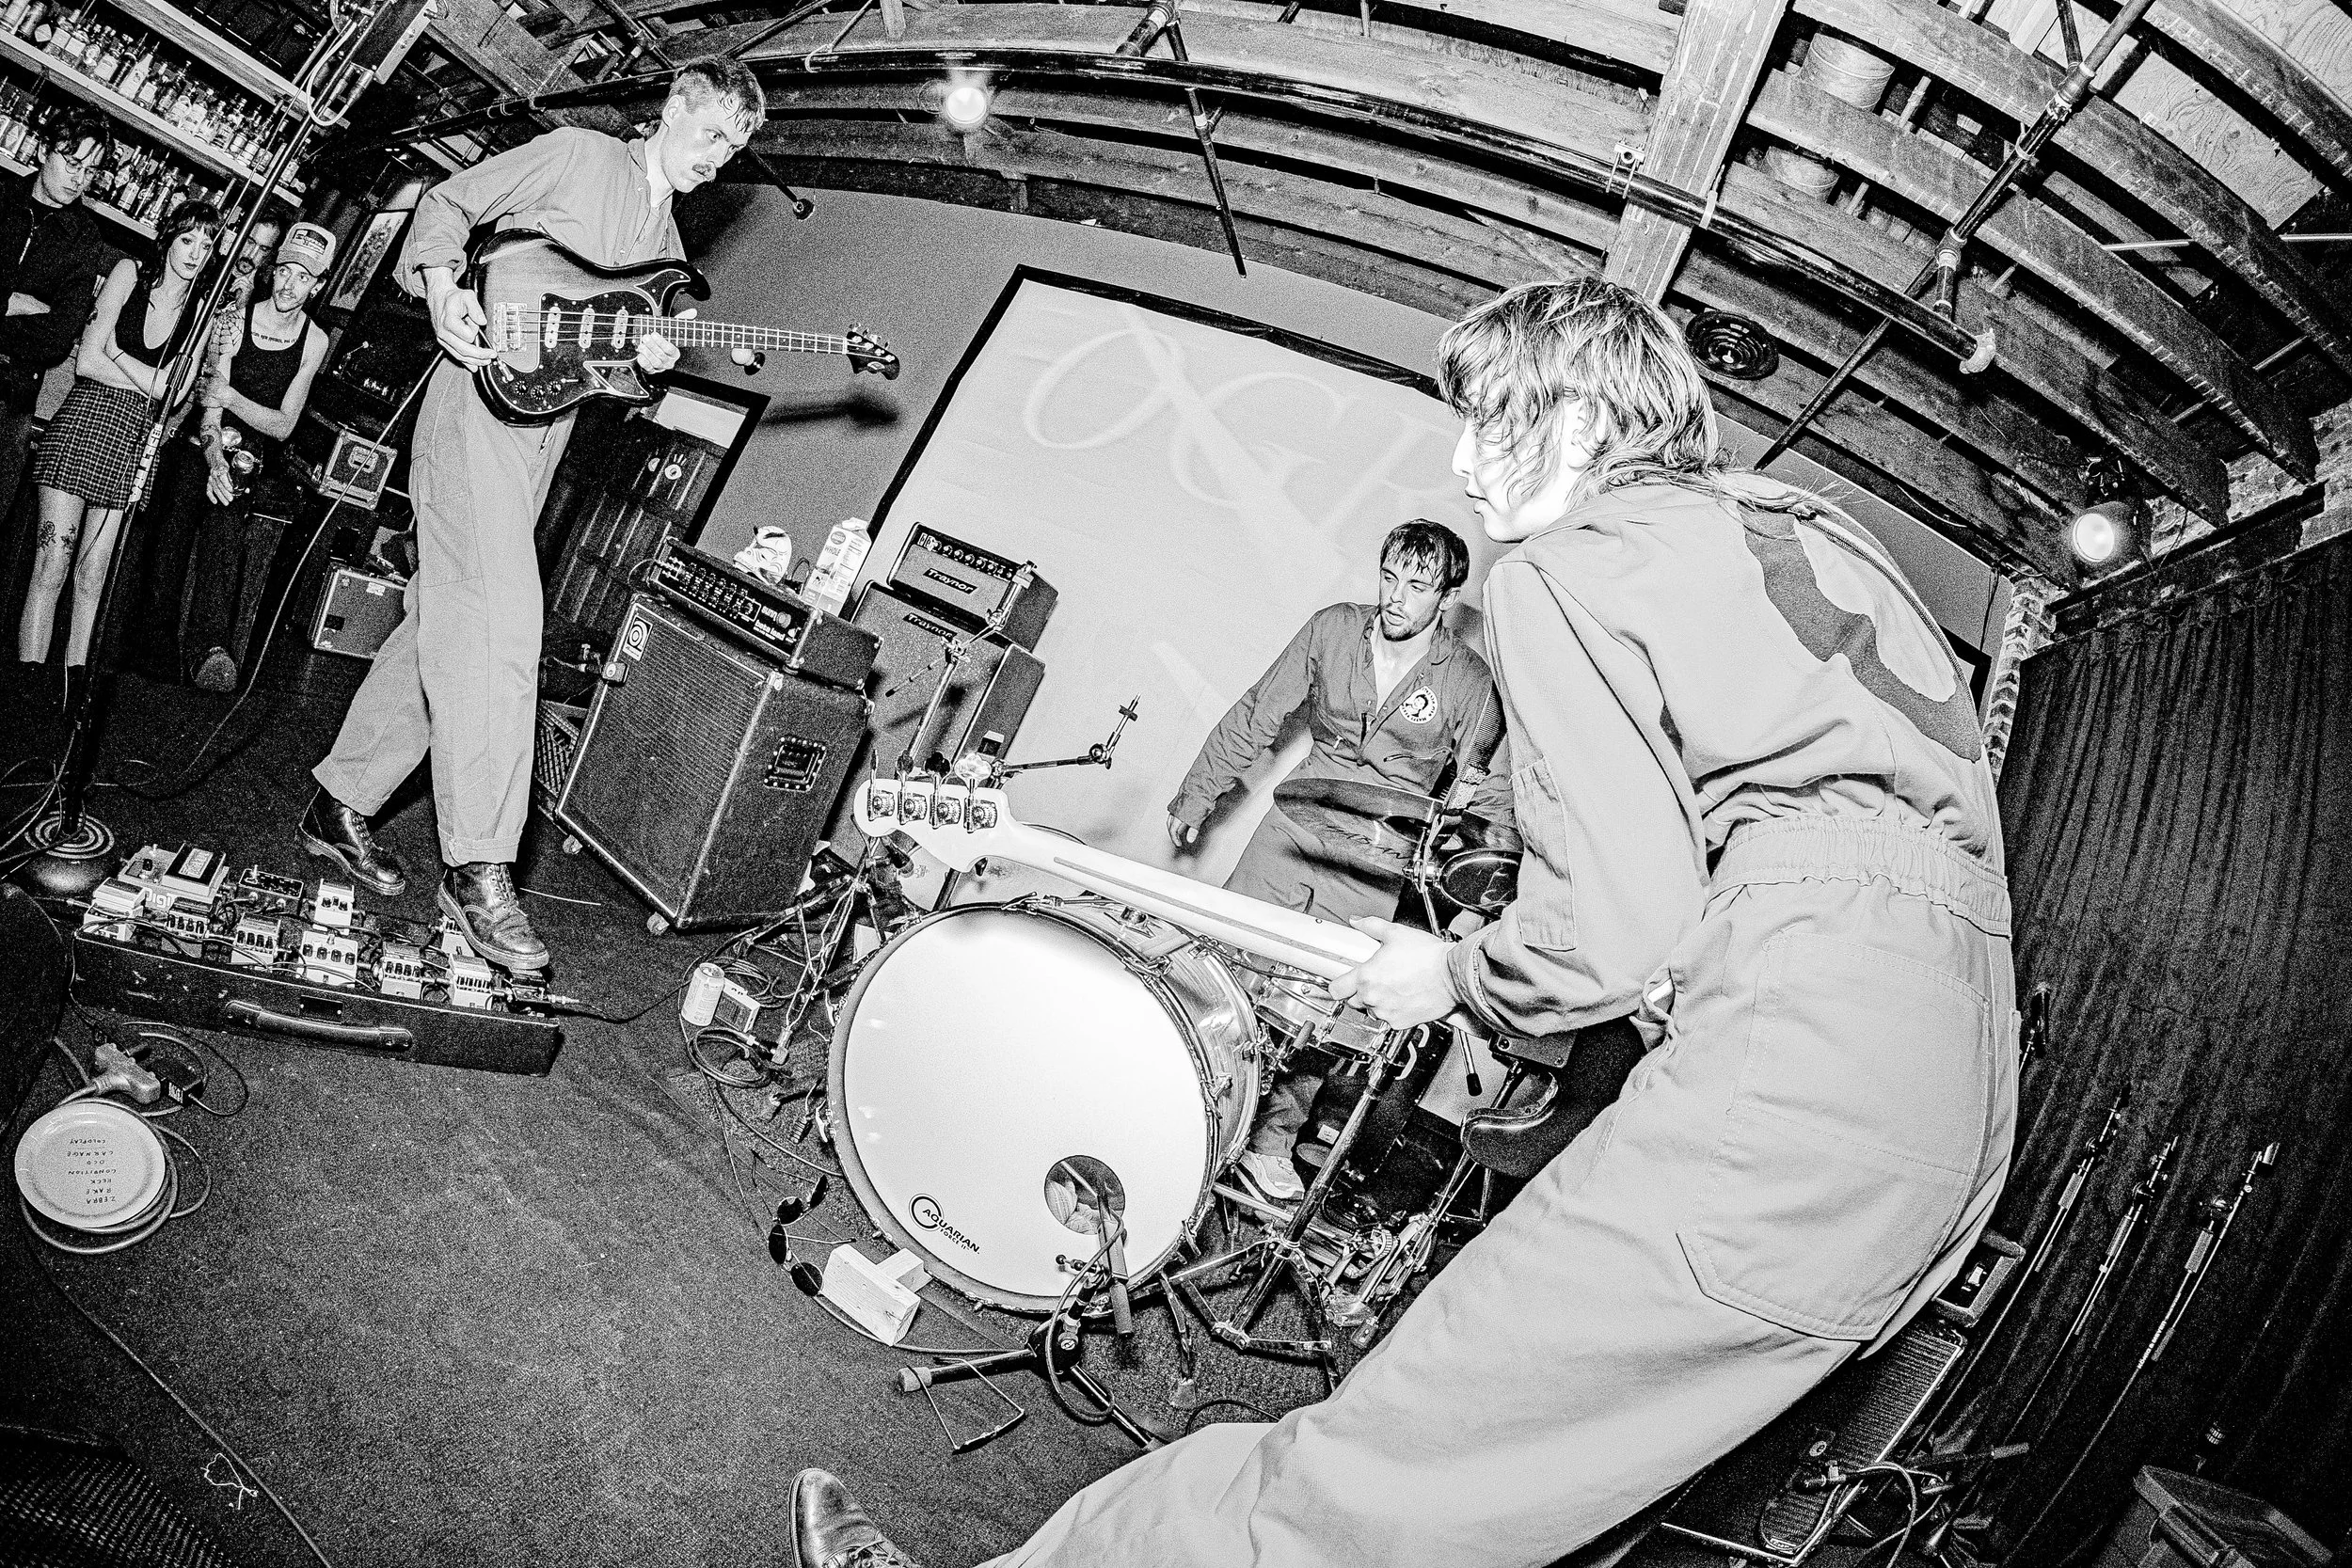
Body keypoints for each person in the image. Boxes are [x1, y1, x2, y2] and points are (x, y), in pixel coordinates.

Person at [784, 278, 2018, 1568]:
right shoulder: (1806, 529)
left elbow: (1610, 930)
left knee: (1379, 1478)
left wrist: (1462, 973)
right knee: (1536, 1505)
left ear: (1579, 420)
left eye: (1489, 421)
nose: (1464, 461)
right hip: (1947, 1102)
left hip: (1792, 1073)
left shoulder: (1576, 567)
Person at [296, 56, 764, 973]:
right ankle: (478, 866)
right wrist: (442, 290)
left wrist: (645, 363)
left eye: (733, 149)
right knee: (504, 625)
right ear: (674, 107)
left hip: (540, 443)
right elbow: (447, 203)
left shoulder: (668, 243)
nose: (718, 158)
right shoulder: (579, 155)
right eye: (712, 133)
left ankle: (339, 800)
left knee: (445, 620)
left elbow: (600, 367)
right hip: (473, 409)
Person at [1164, 519, 1508, 1200]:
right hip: (1293, 829)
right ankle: (1177, 1102)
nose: (1396, 597)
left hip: (1375, 862)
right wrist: (1198, 793)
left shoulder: (1469, 681)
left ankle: (1270, 1141)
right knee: (1221, 966)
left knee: (1324, 1011)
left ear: (1447, 596)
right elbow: (1259, 712)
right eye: (1389, 577)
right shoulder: (1332, 629)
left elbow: (1489, 795)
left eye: (1418, 585)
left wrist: (1475, 904)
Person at [16, 200, 217, 688]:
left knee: (93, 577)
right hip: (83, 424)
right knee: (51, 565)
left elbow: (174, 396)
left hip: (132, 441)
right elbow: (87, 362)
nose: (195, 252)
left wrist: (118, 354)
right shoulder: (129, 273)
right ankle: (25, 688)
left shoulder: (202, 313)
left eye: (207, 244)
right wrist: (149, 381)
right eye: (187, 239)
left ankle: (72, 694)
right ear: (168, 238)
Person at [176, 220, 331, 690]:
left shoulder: (315, 341)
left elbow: (283, 425)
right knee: (170, 535)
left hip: (250, 455)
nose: (289, 284)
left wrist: (232, 398)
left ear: (317, 284)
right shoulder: (233, 320)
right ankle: (149, 656)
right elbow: (209, 403)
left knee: (226, 534)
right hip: (202, 440)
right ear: (272, 270)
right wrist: (213, 460)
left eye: (303, 277)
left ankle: (209, 652)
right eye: (284, 271)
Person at [137, 207, 288, 673]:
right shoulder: (206, 279)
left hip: (229, 440)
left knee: (219, 550)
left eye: (264, 249)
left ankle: (206, 655)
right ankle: (152, 653)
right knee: (165, 543)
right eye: (249, 241)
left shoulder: (262, 302)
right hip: (183, 428)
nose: (252, 253)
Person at [0, 106, 112, 630]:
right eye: (72, 162)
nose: (79, 178)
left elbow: (56, 339)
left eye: (91, 171)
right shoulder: (2, 199)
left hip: (13, 396)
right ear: (45, 149)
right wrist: (16, 303)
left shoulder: (85, 240)